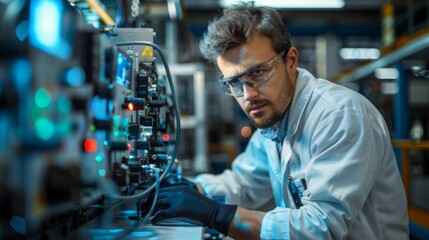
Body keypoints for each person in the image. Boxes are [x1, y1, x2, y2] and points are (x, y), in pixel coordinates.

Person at [151, 2, 409, 239]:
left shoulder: (340, 116)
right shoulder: (273, 125)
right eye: (233, 83)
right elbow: (244, 184)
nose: (248, 95)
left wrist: (217, 215)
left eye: (258, 72)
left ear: (291, 60)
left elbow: (320, 228)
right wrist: (189, 189)